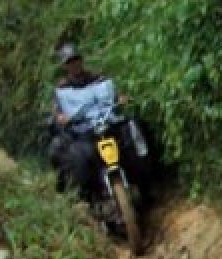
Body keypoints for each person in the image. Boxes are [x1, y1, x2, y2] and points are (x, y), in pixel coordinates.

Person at [47, 42, 149, 195]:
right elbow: (57, 112)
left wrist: (121, 98)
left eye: (75, 60)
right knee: (74, 155)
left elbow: (114, 95)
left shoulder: (99, 78)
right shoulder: (62, 89)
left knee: (134, 130)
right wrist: (61, 117)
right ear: (65, 66)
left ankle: (148, 180)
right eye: (69, 62)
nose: (74, 64)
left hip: (107, 124)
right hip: (84, 133)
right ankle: (85, 195)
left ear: (81, 60)